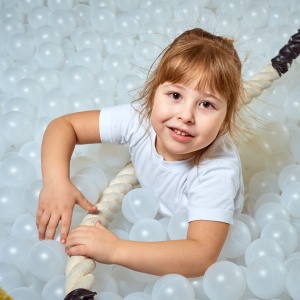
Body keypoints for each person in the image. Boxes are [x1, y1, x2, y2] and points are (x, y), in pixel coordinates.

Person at [36, 28, 244, 278]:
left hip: (196, 230)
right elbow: (63, 126)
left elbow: (201, 256)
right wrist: (56, 181)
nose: (186, 116)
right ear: (153, 93)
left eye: (206, 104)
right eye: (175, 95)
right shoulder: (139, 119)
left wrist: (116, 250)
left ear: (225, 121)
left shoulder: (217, 171)